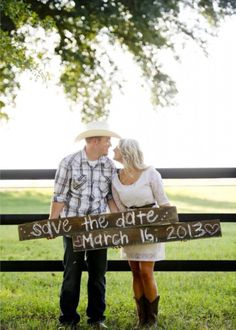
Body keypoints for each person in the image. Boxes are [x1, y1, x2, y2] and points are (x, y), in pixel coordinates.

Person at [49, 121, 120, 330]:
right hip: (74, 228)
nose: (110, 144)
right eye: (107, 140)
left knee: (98, 274)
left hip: (99, 229)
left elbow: (109, 197)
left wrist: (119, 222)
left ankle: (97, 318)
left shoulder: (108, 165)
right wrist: (52, 222)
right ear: (95, 141)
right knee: (72, 274)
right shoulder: (68, 162)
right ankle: (68, 319)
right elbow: (59, 196)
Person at [111, 138, 170, 329]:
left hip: (150, 227)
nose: (113, 149)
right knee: (135, 271)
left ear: (126, 151)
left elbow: (164, 203)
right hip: (130, 229)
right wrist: (119, 232)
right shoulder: (115, 178)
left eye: (117, 148)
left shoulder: (150, 174)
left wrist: (176, 228)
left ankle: (152, 319)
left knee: (146, 272)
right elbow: (119, 209)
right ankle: (141, 317)